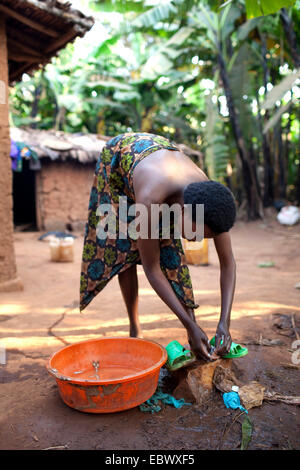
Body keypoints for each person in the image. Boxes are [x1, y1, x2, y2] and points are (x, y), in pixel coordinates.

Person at [80, 132, 236, 361]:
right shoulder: (150, 200)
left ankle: (193, 329)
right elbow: (152, 268)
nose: (196, 240)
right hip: (119, 163)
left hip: (161, 160)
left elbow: (229, 264)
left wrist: (225, 322)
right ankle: (136, 328)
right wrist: (188, 325)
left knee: (171, 250)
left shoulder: (210, 198)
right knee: (125, 248)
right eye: (197, 233)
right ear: (184, 211)